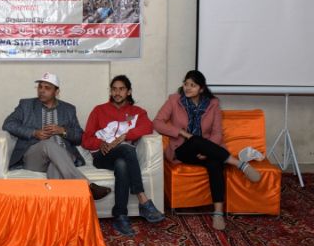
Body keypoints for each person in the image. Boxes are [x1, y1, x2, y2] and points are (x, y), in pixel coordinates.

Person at [152, 69, 261, 231]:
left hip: (206, 151)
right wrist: (181, 132)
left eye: (193, 85)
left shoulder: (213, 104)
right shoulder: (174, 100)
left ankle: (218, 213)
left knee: (215, 163)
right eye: (186, 84)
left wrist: (207, 150)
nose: (188, 88)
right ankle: (239, 164)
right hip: (181, 151)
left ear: (201, 88)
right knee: (195, 139)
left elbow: (217, 133)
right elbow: (157, 123)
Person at [3, 72, 111, 200]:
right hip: (35, 158)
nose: (42, 91)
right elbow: (8, 124)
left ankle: (57, 208)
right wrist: (34, 132)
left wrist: (63, 131)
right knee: (48, 144)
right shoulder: (26, 105)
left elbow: (79, 136)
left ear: (56, 91)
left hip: (62, 157)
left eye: (47, 88)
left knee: (56, 168)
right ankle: (87, 186)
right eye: (40, 87)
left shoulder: (68, 109)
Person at [82, 75, 165, 236]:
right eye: (114, 89)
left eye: (121, 89)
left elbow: (148, 127)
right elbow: (86, 140)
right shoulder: (99, 110)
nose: (117, 93)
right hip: (102, 156)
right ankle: (142, 199)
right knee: (127, 150)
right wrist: (100, 143)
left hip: (124, 156)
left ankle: (120, 216)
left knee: (122, 164)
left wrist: (125, 136)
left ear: (129, 91)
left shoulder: (137, 112)